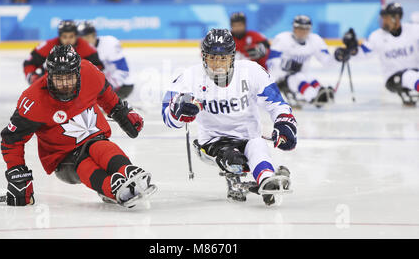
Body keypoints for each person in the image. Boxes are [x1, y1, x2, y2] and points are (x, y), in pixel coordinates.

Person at [0, 45, 156, 208]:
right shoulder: (32, 100)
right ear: (49, 76)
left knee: (99, 145)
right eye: (59, 79)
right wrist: (17, 174)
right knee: (83, 160)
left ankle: (127, 170)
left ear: (78, 73)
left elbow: (107, 96)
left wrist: (121, 112)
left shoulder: (89, 71)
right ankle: (110, 188)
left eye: (69, 78)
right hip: (64, 158)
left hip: (95, 139)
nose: (65, 84)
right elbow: (11, 140)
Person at [162, 28, 297, 206]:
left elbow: (277, 104)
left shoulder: (252, 71)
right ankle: (246, 174)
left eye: (223, 58)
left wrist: (284, 123)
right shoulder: (189, 77)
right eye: (212, 58)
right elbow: (167, 113)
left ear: (233, 57)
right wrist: (177, 111)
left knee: (257, 146)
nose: (217, 64)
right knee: (234, 160)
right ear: (203, 57)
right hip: (213, 140)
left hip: (249, 135)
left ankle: (266, 179)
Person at [338, 2, 419, 106]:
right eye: (382, 18)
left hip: (416, 74)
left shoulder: (414, 30)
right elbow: (363, 53)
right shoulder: (377, 36)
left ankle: (407, 93)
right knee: (409, 76)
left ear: (396, 18)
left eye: (386, 18)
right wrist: (352, 48)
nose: (383, 21)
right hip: (392, 78)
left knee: (411, 79)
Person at [266, 15, 337, 108]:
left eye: (306, 29)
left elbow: (327, 62)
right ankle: (312, 96)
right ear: (294, 28)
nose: (302, 32)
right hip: (282, 79)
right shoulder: (282, 39)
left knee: (310, 77)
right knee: (298, 77)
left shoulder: (315, 40)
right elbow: (270, 62)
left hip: (303, 75)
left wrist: (338, 56)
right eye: (299, 28)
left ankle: (320, 90)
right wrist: (286, 66)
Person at [23, 20, 104, 84]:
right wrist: (32, 76)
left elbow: (98, 67)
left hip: (78, 86)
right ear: (60, 36)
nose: (68, 40)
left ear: (76, 36)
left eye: (71, 36)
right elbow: (29, 63)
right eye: (64, 37)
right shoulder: (48, 45)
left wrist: (85, 79)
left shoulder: (86, 47)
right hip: (50, 85)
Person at [77, 21, 134, 99]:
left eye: (85, 38)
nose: (83, 41)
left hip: (123, 86)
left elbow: (123, 70)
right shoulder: (81, 50)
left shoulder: (109, 43)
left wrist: (107, 88)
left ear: (93, 36)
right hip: (103, 85)